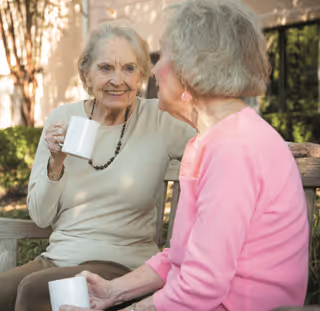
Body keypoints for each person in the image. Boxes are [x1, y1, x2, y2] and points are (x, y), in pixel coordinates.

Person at [60, 0, 310, 310]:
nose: (153, 68)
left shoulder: (234, 149)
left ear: (191, 70)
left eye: (163, 54)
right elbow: (179, 257)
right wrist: (113, 292)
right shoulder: (212, 141)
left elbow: (199, 288)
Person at [0, 24, 195, 311]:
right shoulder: (64, 119)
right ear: (86, 75)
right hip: (58, 259)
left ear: (142, 74)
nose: (118, 80)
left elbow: (221, 142)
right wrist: (56, 162)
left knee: (37, 290)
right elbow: (41, 217)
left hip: (124, 267)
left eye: (129, 68)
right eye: (105, 68)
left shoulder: (159, 119)